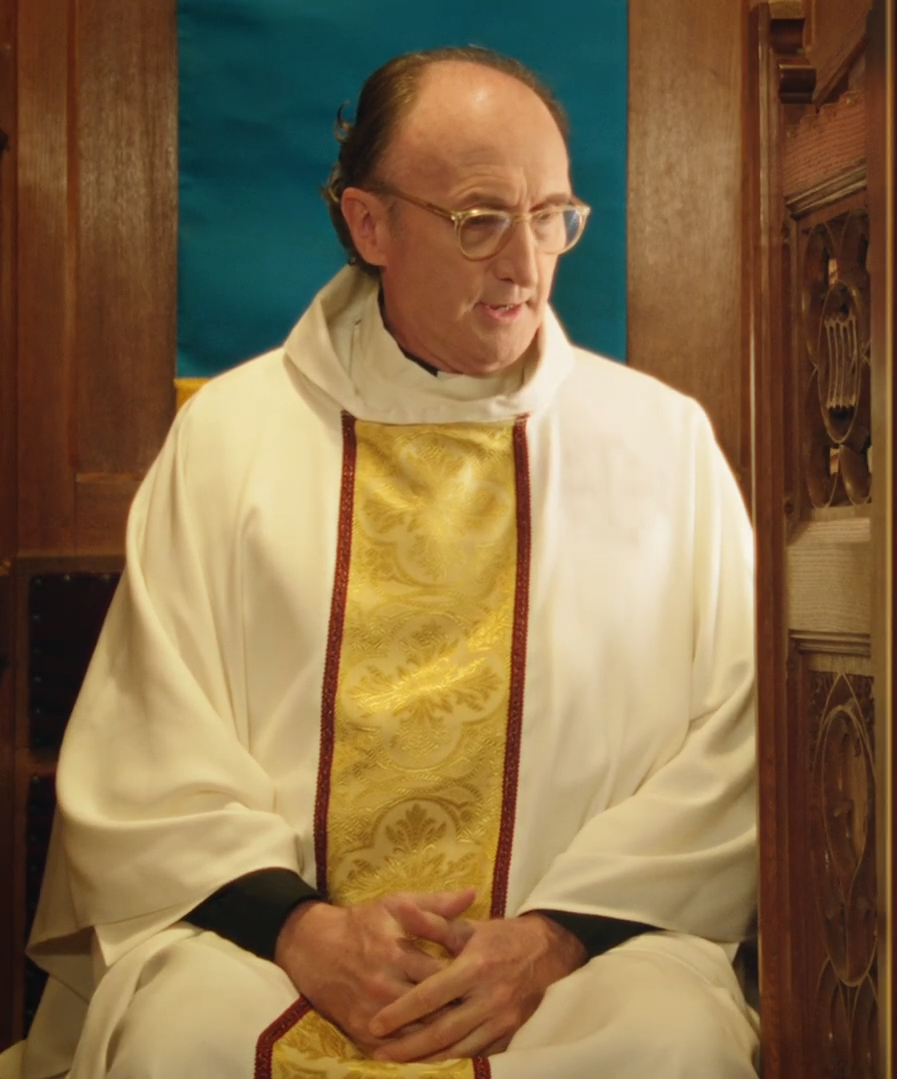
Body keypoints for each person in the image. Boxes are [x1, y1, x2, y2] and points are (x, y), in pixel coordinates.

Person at [22, 47, 758, 1079]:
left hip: (569, 962)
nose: (525, 266)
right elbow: (151, 745)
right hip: (278, 960)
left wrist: (545, 940)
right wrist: (305, 933)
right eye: (479, 219)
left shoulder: (661, 445)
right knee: (178, 1038)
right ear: (371, 224)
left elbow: (736, 741)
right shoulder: (231, 437)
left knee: (669, 1040)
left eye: (550, 216)